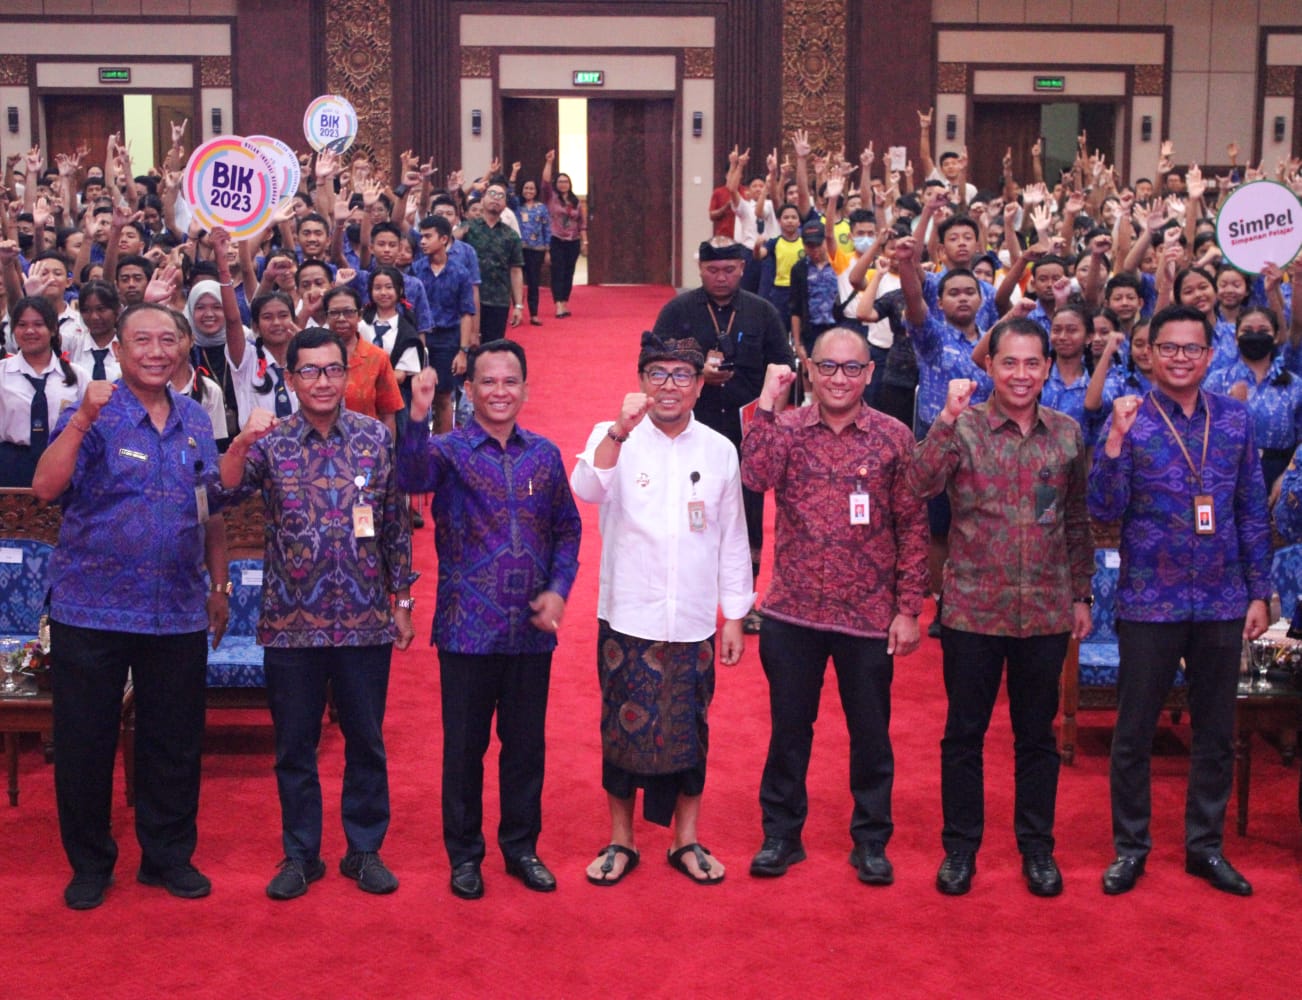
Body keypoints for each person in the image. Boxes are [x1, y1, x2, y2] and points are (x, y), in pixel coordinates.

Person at [32, 302, 230, 910]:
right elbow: (44, 487)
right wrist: (79, 421)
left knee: (174, 740)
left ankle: (167, 857)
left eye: (167, 339)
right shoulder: (93, 411)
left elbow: (211, 508)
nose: (154, 350)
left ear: (182, 349)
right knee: (86, 742)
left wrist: (218, 587)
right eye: (140, 340)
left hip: (175, 609)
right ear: (117, 349)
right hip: (90, 609)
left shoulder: (197, 418)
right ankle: (90, 863)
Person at [220, 326, 416, 901]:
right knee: (295, 745)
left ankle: (364, 850)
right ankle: (301, 854)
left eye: (333, 369)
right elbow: (223, 493)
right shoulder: (272, 442)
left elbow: (395, 527)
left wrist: (401, 601)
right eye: (310, 371)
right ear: (290, 378)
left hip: (363, 622)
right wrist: (237, 444)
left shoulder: (375, 439)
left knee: (366, 739)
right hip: (291, 623)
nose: (323, 381)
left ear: (347, 374)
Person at [1088, 303, 1272, 897]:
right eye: (1169, 348)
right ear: (1150, 352)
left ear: (1210, 355)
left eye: (1192, 349)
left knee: (1216, 731)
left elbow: (1250, 511)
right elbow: (1103, 509)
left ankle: (1204, 846)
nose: (1181, 359)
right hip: (1150, 598)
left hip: (1222, 598)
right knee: (1134, 732)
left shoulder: (1237, 419)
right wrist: (1114, 440)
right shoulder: (1129, 417)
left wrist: (1260, 592)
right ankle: (1131, 847)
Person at [908, 318, 1093, 897]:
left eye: (1031, 363)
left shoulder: (1066, 434)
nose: (1020, 374)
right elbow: (917, 484)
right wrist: (942, 419)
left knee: (1036, 738)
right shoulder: (961, 428)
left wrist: (1082, 593)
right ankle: (960, 848)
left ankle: (1037, 849)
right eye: (1008, 363)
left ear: (1046, 368)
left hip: (1044, 609)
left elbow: (1076, 520)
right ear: (989, 367)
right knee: (964, 734)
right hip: (970, 612)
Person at [741, 327, 928, 884]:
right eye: (828, 367)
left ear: (870, 373)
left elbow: (913, 525)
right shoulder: (788, 428)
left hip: (869, 616)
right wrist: (769, 406)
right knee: (789, 730)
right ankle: (781, 835)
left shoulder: (895, 437)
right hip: (793, 611)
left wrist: (909, 607)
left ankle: (871, 839)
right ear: (809, 371)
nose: (839, 379)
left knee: (871, 734)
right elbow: (755, 475)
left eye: (852, 368)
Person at [396, 340, 581, 900]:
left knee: (526, 747)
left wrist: (557, 590)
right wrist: (419, 414)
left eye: (510, 382)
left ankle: (522, 847)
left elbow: (568, 529)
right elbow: (410, 477)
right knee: (465, 748)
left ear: (525, 388)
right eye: (488, 383)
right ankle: (465, 854)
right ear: (470, 390)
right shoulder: (448, 450)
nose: (500, 392)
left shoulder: (544, 454)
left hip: (530, 629)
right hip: (466, 629)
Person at [570, 333, 752, 887]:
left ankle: (686, 840)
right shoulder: (615, 437)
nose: (668, 386)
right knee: (620, 728)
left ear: (700, 385)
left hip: (694, 618)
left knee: (691, 728)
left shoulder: (719, 449)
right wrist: (620, 430)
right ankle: (620, 841)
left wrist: (736, 614)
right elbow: (585, 487)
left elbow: (732, 537)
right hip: (629, 615)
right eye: (657, 374)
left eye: (681, 376)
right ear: (641, 381)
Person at [651, 240, 793, 633]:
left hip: (748, 429)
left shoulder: (761, 311)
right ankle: (680, 595)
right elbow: (651, 360)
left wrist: (773, 417)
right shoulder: (679, 310)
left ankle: (744, 602)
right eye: (714, 270)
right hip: (690, 427)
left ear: (742, 269)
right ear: (700, 269)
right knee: (686, 509)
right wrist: (697, 373)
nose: (721, 277)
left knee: (746, 516)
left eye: (729, 270)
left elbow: (782, 365)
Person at [0, 296, 89, 486]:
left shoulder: (77, 375)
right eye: (22, 325)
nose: (30, 331)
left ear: (53, 328)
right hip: (10, 465)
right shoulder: (2, 372)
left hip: (64, 463)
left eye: (38, 324)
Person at [462, 181, 524, 341]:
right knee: (468, 346)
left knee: (493, 348)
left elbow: (516, 270)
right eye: (491, 194)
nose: (495, 199)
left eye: (501, 196)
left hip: (498, 299)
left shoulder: (511, 235)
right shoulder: (468, 227)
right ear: (482, 200)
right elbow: (447, 242)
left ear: (505, 205)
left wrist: (518, 305)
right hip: (469, 298)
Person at [540, 150, 585, 318]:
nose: (563, 184)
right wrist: (549, 162)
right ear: (556, 184)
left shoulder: (575, 201)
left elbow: (582, 222)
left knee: (569, 272)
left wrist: (584, 242)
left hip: (573, 240)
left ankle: (565, 302)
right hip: (556, 238)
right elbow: (545, 182)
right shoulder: (551, 197)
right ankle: (558, 304)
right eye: (560, 181)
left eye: (566, 181)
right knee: (557, 271)